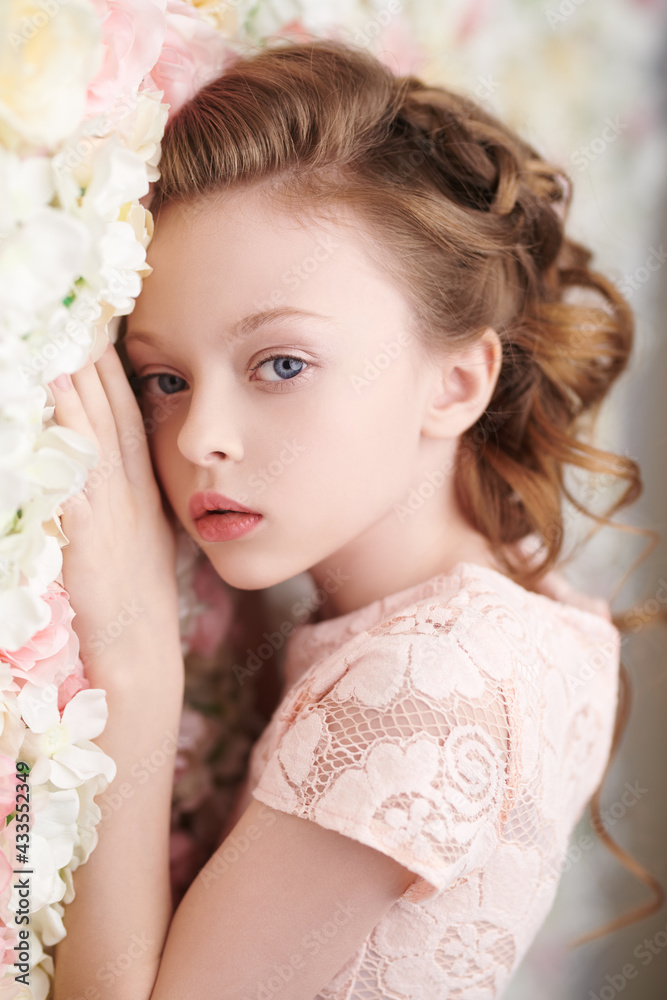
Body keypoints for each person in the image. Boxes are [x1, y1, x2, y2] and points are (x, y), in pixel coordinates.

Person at [47, 38, 656, 1000]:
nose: (201, 435)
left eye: (281, 365)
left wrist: (131, 655)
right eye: (164, 379)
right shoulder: (527, 605)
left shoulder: (426, 685)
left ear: (458, 380)